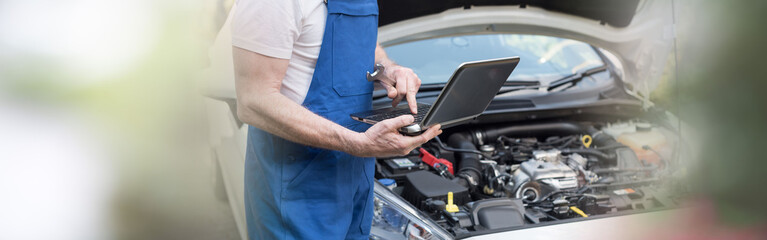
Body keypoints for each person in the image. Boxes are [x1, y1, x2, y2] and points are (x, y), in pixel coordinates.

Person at [231, 0, 442, 239]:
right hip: (297, 187)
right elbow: (254, 101)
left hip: (356, 176)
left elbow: (365, 45)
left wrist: (387, 68)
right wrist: (357, 143)